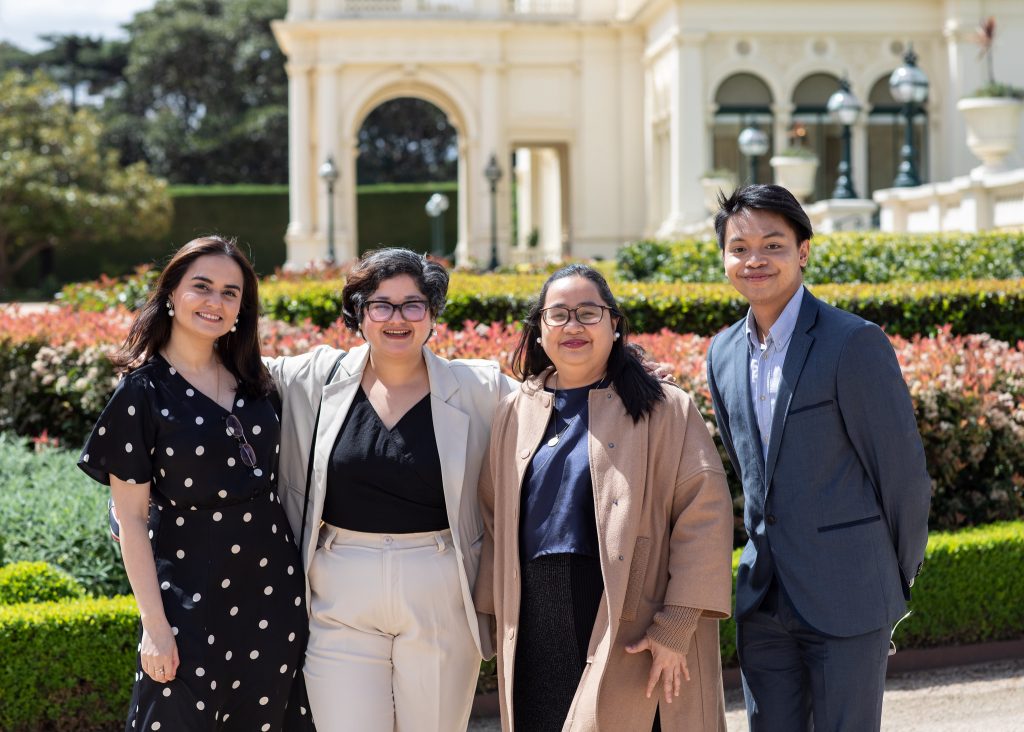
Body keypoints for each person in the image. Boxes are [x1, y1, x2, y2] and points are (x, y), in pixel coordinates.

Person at [706, 184, 932, 732]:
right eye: (739, 248)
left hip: (850, 595)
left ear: (803, 252)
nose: (754, 259)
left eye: (773, 245)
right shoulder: (722, 353)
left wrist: (890, 582)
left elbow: (902, 477)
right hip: (764, 600)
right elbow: (748, 469)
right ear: (724, 257)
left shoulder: (852, 343)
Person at [265, 248, 517, 732]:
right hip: (340, 590)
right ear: (358, 315)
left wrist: (628, 376)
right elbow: (218, 380)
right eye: (380, 304)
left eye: (412, 304)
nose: (396, 318)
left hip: (441, 587)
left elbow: (553, 405)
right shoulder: (314, 379)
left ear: (432, 314)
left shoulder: (479, 388)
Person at [475, 264, 735, 732]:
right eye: (558, 315)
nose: (573, 326)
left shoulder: (664, 406)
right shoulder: (516, 409)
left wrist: (676, 624)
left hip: (630, 614)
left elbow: (705, 513)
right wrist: (493, 620)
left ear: (614, 325)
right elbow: (494, 518)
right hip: (535, 618)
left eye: (588, 313)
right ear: (538, 331)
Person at [77, 236, 307, 732]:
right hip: (187, 597)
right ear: (170, 295)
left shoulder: (256, 380)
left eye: (230, 293)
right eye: (201, 286)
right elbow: (131, 520)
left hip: (274, 592)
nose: (215, 302)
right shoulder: (142, 392)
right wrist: (155, 630)